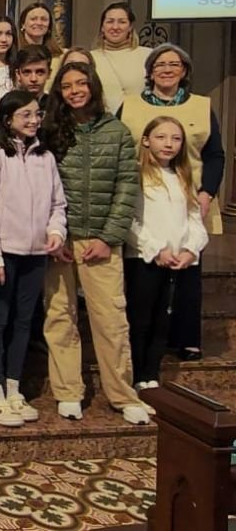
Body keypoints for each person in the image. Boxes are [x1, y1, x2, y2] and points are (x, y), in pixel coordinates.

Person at [41, 62, 148, 424]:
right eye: (67, 86)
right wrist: (54, 234)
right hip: (60, 238)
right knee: (60, 316)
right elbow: (42, 186)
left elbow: (126, 187)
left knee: (111, 320)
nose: (75, 91)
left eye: (81, 84)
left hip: (100, 240)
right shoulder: (52, 130)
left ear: (93, 86)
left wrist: (108, 237)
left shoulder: (116, 131)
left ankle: (122, 393)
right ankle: (68, 391)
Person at [116, 43, 224, 361]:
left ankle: (186, 338)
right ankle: (142, 344)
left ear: (184, 71)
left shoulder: (202, 106)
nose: (166, 69)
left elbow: (214, 154)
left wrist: (207, 192)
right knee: (145, 277)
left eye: (173, 64)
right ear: (149, 72)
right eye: (159, 64)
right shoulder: (131, 105)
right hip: (142, 195)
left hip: (190, 196)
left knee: (188, 271)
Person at [0, 90, 66, 427]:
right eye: (24, 115)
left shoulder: (46, 158)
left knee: (24, 321)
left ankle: (15, 388)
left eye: (36, 114)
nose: (32, 120)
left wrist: (56, 231)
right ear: (7, 118)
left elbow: (58, 204)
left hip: (35, 254)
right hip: (4, 255)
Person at [125, 116, 208, 391]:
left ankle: (152, 373)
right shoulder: (136, 174)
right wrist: (154, 247)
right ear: (147, 140)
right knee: (141, 319)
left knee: (164, 319)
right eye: (161, 137)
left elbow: (195, 219)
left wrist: (189, 248)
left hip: (176, 261)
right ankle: (137, 374)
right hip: (145, 258)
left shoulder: (183, 177)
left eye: (175, 138)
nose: (168, 144)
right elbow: (131, 221)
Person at [90, 1, 152, 114]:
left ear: (130, 27)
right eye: (110, 21)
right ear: (102, 27)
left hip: (141, 119)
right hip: (103, 124)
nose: (115, 27)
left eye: (122, 22)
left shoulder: (149, 56)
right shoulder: (90, 57)